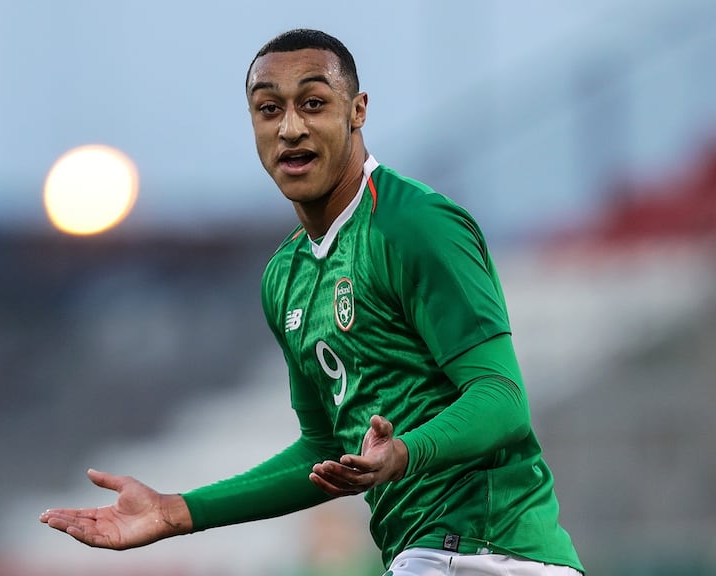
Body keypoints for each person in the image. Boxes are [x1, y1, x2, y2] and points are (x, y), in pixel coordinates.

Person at [41, 28, 585, 576]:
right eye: (269, 109)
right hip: (428, 552)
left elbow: (502, 399)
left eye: (313, 103)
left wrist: (403, 453)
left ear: (357, 111)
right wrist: (177, 511)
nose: (290, 127)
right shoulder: (284, 277)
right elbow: (322, 449)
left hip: (488, 550)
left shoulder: (413, 225)